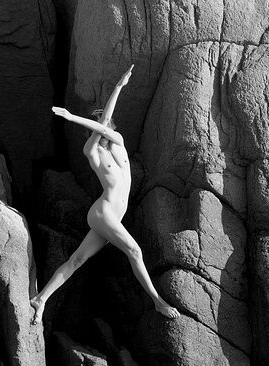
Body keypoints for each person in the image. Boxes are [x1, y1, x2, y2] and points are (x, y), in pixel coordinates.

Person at [30, 65, 181, 324]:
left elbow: (106, 122)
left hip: (112, 217)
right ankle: (158, 302)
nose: (103, 127)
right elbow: (99, 127)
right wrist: (71, 117)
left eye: (105, 123)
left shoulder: (118, 143)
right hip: (103, 212)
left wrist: (119, 87)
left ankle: (41, 298)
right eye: (99, 125)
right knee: (134, 251)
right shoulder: (92, 152)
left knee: (77, 260)